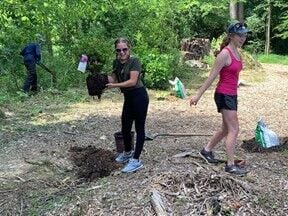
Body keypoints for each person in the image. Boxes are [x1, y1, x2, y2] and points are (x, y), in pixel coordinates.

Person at [189, 22, 251, 176]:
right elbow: (212, 77)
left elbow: (233, 75)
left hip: (231, 94)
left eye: (244, 35)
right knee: (234, 129)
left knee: (226, 128)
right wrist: (198, 95)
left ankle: (206, 150)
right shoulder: (225, 54)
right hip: (224, 94)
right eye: (239, 35)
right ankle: (230, 165)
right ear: (231, 36)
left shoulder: (237, 52)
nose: (242, 38)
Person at [106, 37, 149, 173]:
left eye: (124, 49)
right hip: (128, 98)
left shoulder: (134, 61)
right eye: (118, 50)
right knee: (125, 126)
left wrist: (114, 86)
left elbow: (132, 81)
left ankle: (136, 160)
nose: (122, 52)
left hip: (139, 96)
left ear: (129, 49)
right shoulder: (116, 62)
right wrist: (95, 72)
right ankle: (127, 152)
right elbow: (112, 78)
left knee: (139, 127)